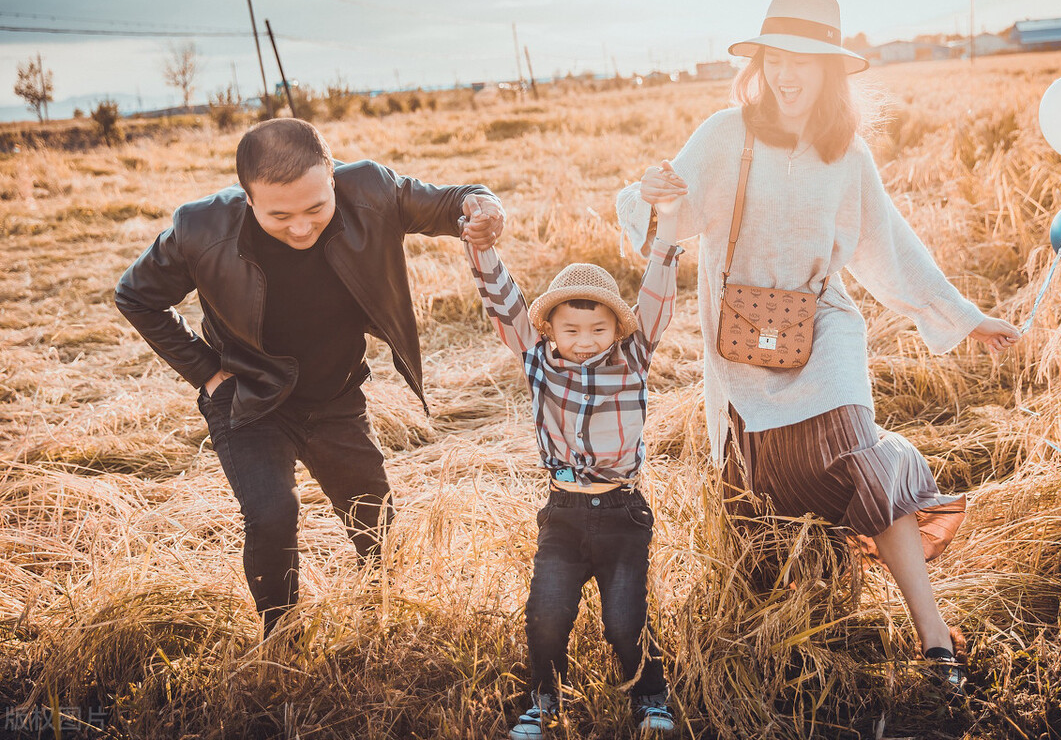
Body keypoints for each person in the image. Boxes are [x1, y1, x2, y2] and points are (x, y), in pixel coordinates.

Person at [616, 0, 1022, 690]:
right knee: (765, 519)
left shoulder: (848, 152)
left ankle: (935, 645)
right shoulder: (724, 134)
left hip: (825, 332)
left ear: (831, 69)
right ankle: (810, 605)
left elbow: (889, 246)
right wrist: (653, 194)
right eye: (777, 57)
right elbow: (667, 220)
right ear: (761, 63)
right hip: (739, 348)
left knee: (864, 464)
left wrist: (965, 316)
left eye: (806, 58)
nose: (789, 72)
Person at [115, 117, 504, 639]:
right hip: (248, 400)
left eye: (317, 208)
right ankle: (280, 636)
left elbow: (454, 200)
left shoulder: (372, 189)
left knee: (374, 516)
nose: (301, 227)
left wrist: (484, 206)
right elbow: (136, 295)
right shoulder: (199, 229)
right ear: (247, 198)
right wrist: (207, 372)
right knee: (272, 513)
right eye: (280, 215)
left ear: (333, 178)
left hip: (336, 395)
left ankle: (387, 610)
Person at [461, 194, 685, 737]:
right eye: (572, 331)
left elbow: (656, 296)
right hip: (562, 514)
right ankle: (545, 700)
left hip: (622, 513)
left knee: (625, 621)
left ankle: (649, 697)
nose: (585, 343)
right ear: (551, 331)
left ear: (617, 329)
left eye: (598, 330)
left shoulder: (631, 359)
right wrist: (482, 249)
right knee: (546, 616)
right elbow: (504, 303)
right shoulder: (538, 359)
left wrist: (668, 231)